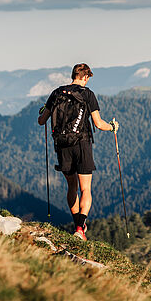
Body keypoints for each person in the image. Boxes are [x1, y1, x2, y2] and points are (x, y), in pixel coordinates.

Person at [38, 63, 118, 240]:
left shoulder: (57, 93)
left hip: (62, 145)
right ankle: (80, 229)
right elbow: (98, 123)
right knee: (86, 188)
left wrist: (44, 110)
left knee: (71, 187)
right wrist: (112, 127)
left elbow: (42, 121)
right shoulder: (88, 94)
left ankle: (77, 225)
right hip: (82, 144)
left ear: (73, 75)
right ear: (86, 76)